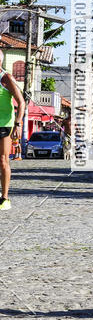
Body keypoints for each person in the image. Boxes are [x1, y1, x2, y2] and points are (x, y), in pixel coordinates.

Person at [0, 53, 24, 210]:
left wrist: (18, 124)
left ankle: (5, 198)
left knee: (3, 160)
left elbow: (21, 102)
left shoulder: (6, 78)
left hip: (4, 124)